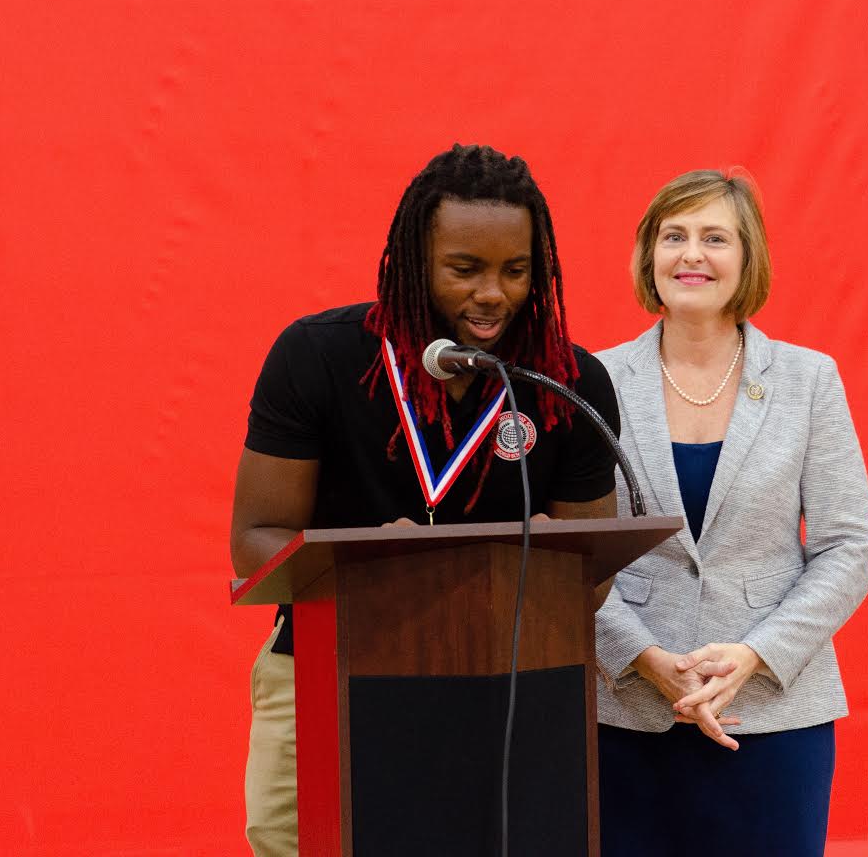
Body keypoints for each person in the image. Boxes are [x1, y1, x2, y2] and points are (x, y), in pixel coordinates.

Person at [230, 143, 621, 857]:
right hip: (326, 671)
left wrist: (539, 572)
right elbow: (256, 538)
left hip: (511, 683)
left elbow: (590, 571)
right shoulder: (315, 358)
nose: (493, 294)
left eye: (516, 270)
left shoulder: (569, 383)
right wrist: (379, 570)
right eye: (465, 269)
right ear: (414, 263)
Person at [592, 169, 868, 856]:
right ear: (648, 256)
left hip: (775, 717)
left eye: (715, 238)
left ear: (747, 259)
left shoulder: (810, 380)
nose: (692, 254)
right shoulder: (592, 380)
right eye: (674, 236)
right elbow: (561, 548)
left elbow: (849, 546)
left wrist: (755, 654)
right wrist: (642, 657)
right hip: (624, 717)